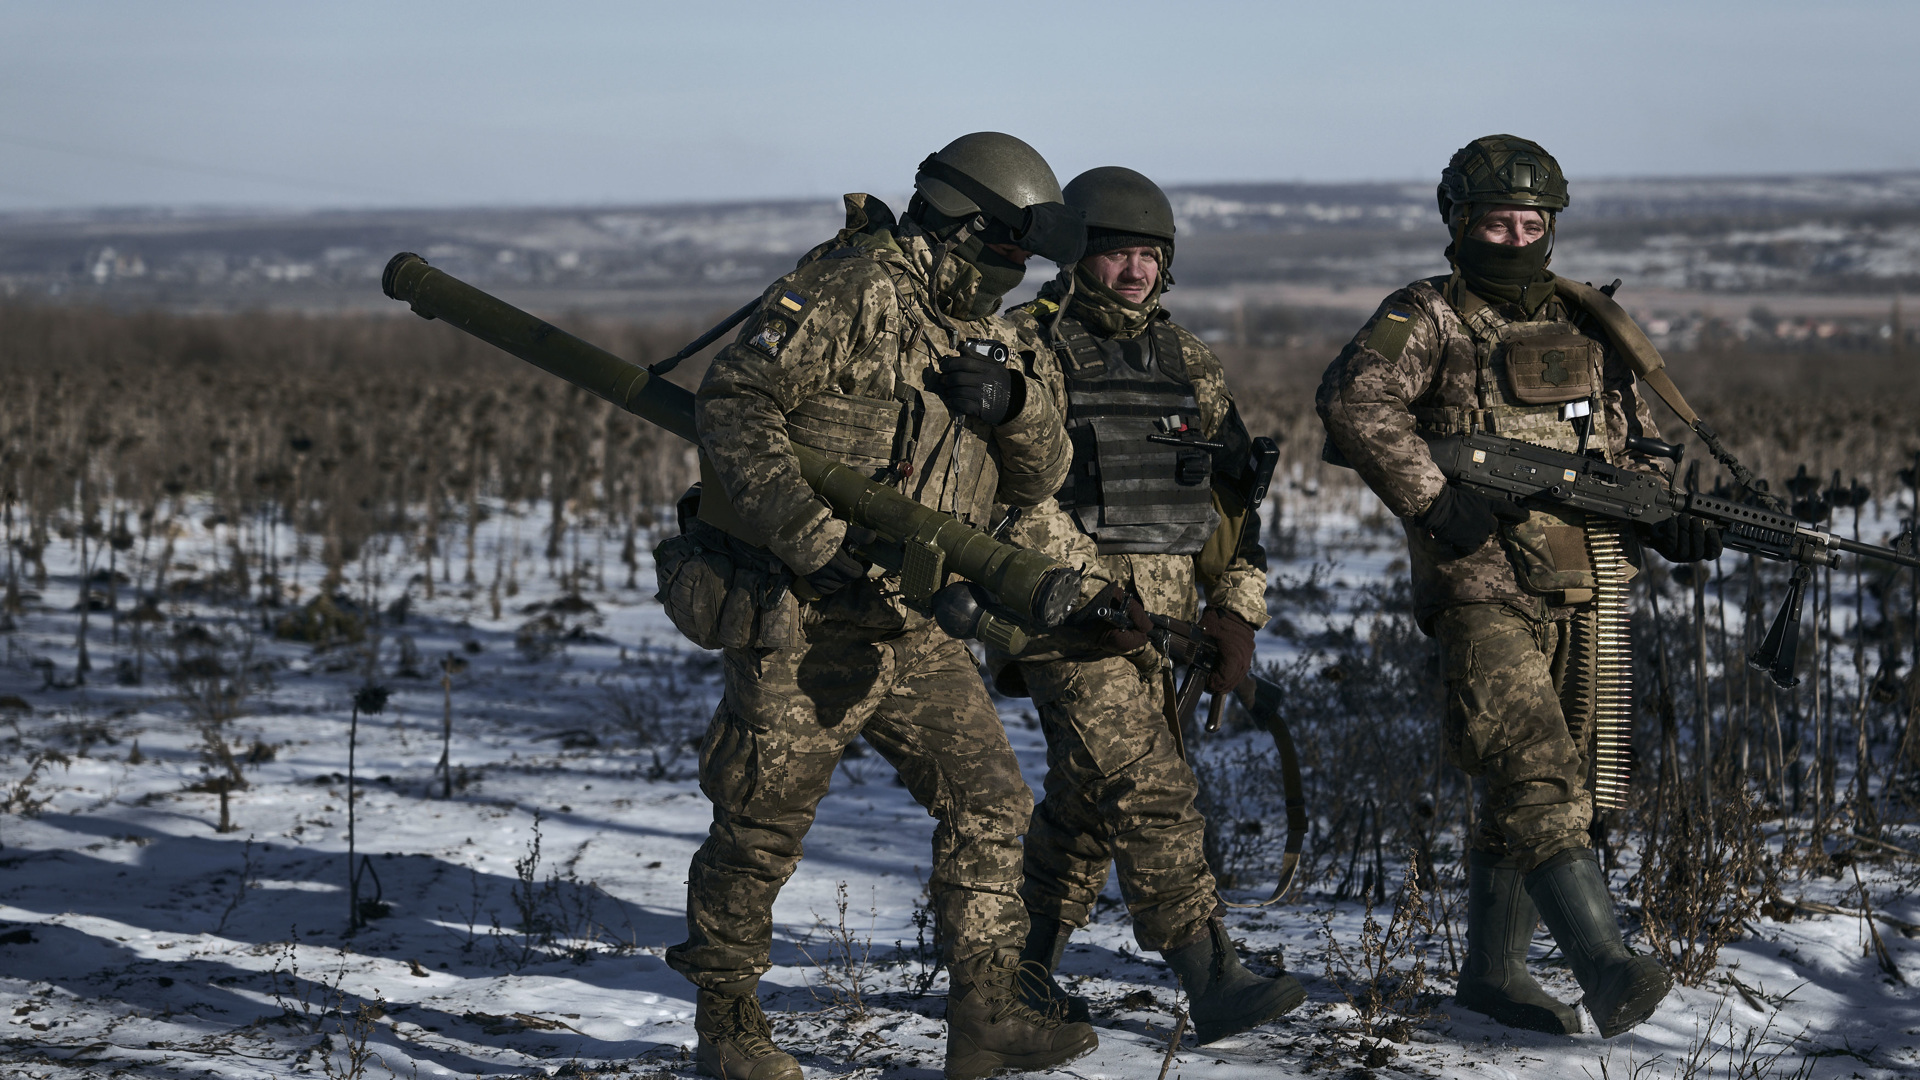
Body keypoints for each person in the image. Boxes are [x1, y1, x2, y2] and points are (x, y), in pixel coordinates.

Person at [661, 132, 1097, 1080]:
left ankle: (985, 1015)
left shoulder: (1000, 329)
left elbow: (1045, 476)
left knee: (992, 806)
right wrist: (817, 544)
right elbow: (734, 404)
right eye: (1007, 250)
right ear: (962, 224)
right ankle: (727, 1024)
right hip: (805, 616)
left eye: (1026, 259)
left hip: (915, 622)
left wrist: (1016, 405)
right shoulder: (851, 291)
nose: (1015, 273)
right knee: (760, 827)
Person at [1316, 135, 1719, 1039]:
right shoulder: (1429, 315)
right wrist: (1431, 500)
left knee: (1553, 782)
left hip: (1586, 579)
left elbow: (1634, 449)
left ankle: (1493, 978)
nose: (1514, 235)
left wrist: (1668, 519)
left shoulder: (1588, 324)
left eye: (1531, 221)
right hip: (1480, 583)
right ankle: (1607, 967)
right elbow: (1353, 402)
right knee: (1537, 775)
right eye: (1495, 220)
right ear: (1459, 223)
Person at [992, 166, 1305, 1045]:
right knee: (1149, 790)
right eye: (1114, 253)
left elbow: (1235, 507)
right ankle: (1211, 976)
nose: (1133, 272)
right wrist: (1092, 593)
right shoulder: (1025, 346)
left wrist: (1236, 612)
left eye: (1149, 255)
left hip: (1165, 631)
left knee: (1088, 807)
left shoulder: (1185, 358)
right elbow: (1015, 497)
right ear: (1074, 256)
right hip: (1066, 619)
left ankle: (1017, 969)